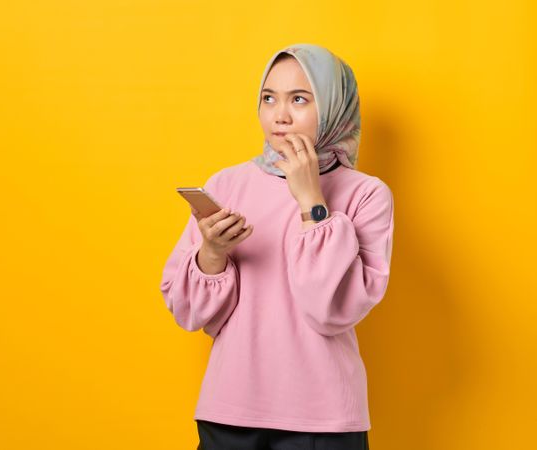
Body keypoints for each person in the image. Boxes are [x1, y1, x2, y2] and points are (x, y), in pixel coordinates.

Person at [159, 43, 394, 450]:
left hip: (324, 418)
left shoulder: (367, 195)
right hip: (229, 410)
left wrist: (311, 201)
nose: (279, 116)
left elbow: (330, 310)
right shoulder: (226, 185)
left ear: (334, 107)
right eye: (269, 99)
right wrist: (212, 254)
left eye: (299, 99)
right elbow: (187, 311)